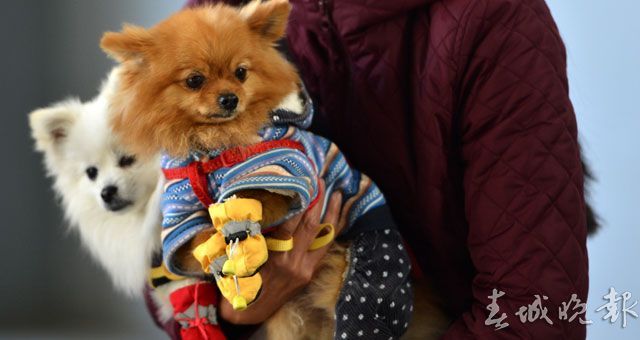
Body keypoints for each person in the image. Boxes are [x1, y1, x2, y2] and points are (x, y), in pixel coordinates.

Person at [156, 0, 592, 338]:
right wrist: (237, 311)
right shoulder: (218, 18)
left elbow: (538, 312)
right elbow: (157, 262)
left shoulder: (495, 20)